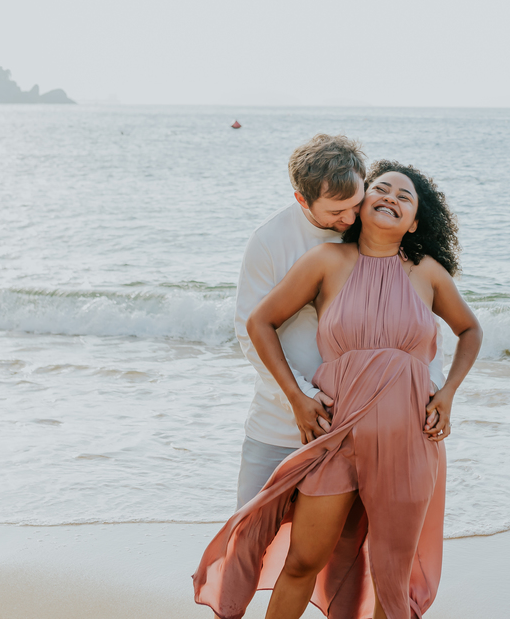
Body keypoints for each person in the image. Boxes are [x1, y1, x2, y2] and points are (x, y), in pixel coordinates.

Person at [196, 161, 483, 619]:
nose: (390, 197)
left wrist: (447, 394)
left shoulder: (427, 272)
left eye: (404, 197)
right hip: (337, 437)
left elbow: (470, 330)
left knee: (391, 572)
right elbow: (259, 322)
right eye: (381, 189)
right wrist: (297, 397)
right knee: (304, 560)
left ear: (414, 223)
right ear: (362, 203)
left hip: (408, 442)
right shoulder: (327, 261)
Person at [232, 136, 446, 509]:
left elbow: (419, 321)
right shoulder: (269, 241)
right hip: (280, 421)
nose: (348, 220)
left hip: (359, 428)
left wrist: (433, 388)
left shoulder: (372, 229)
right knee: (247, 537)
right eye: (335, 213)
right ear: (302, 199)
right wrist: (299, 399)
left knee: (335, 555)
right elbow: (249, 331)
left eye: (354, 204)